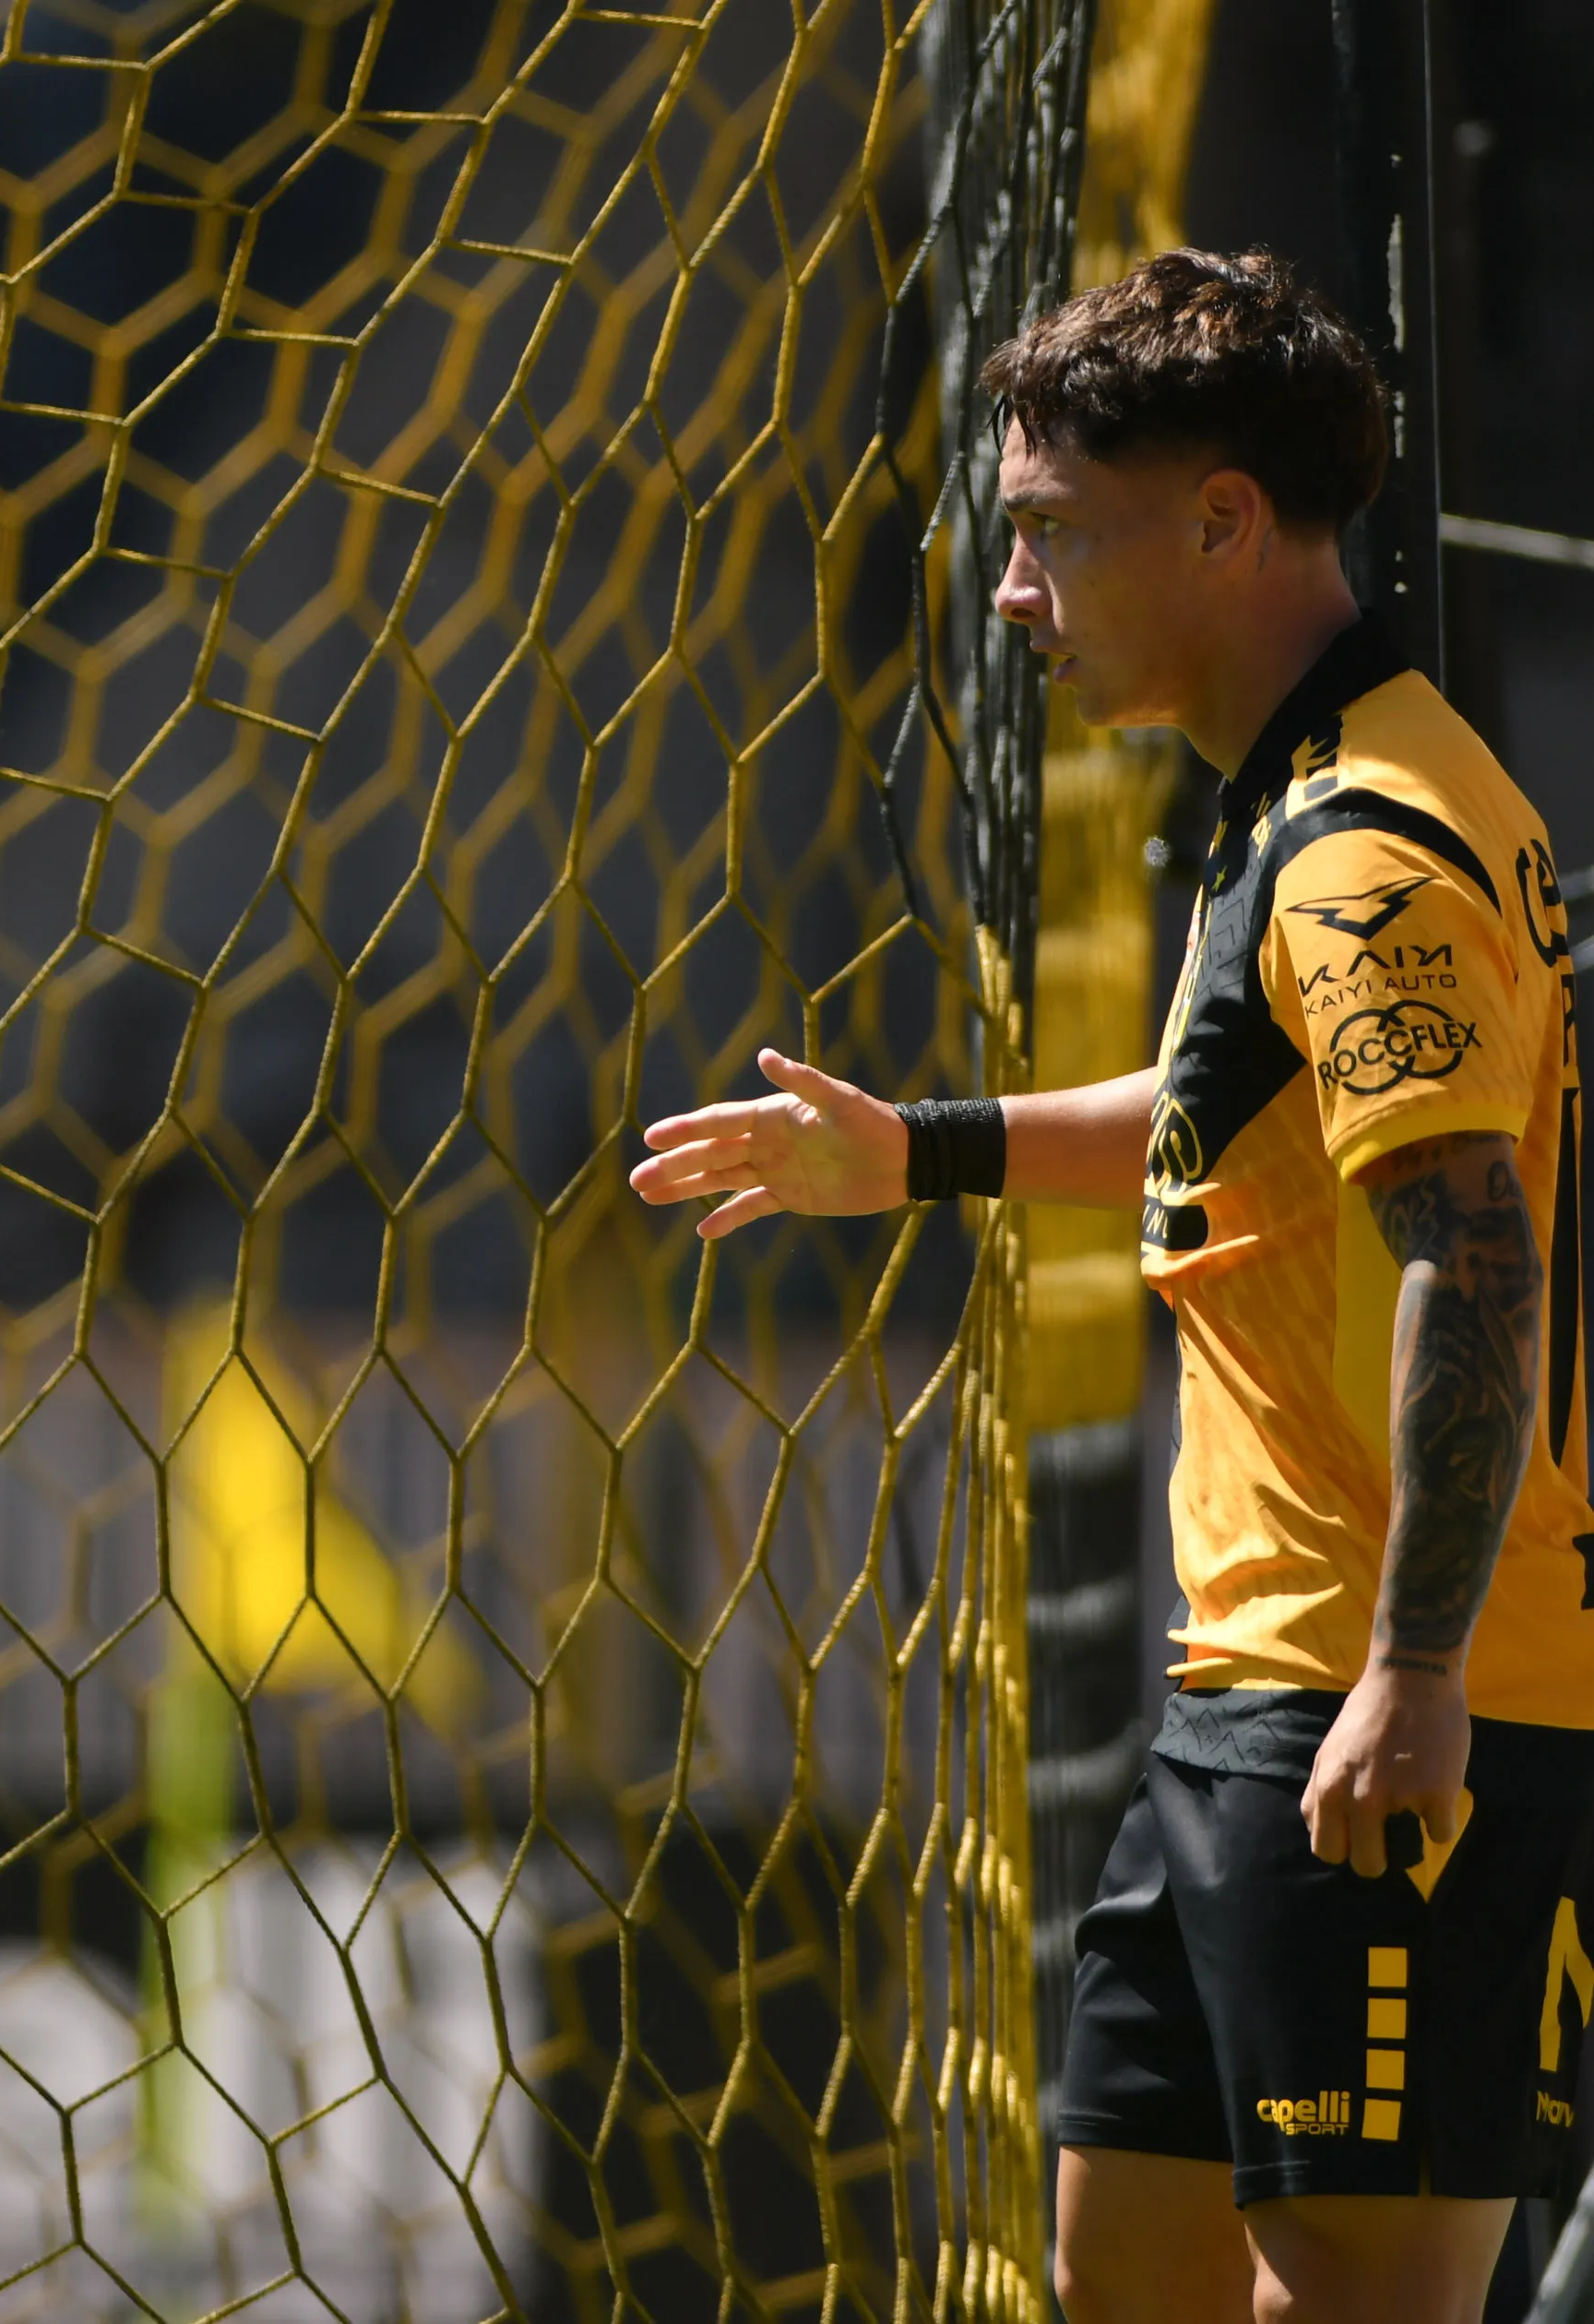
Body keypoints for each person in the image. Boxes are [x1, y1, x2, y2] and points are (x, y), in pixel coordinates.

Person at [633, 247, 1588, 2323]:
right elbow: (1231, 1101)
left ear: (1224, 519)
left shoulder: (1364, 847)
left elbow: (1469, 1248)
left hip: (1386, 1709)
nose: (1010, 592)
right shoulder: (1307, 799)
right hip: (1238, 1691)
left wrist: (1413, 1676)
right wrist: (916, 1152)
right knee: (1118, 2276)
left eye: (1051, 532)